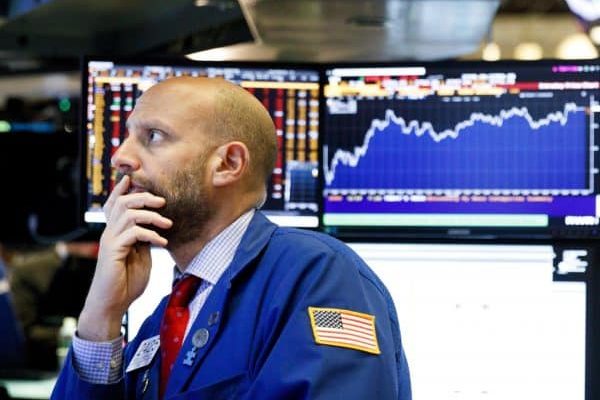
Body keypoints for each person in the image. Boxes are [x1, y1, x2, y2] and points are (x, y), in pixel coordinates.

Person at [51, 76, 412, 399]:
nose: (120, 157)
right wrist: (101, 316)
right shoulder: (158, 324)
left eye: (153, 136)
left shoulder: (319, 277)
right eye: (127, 136)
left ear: (228, 164)